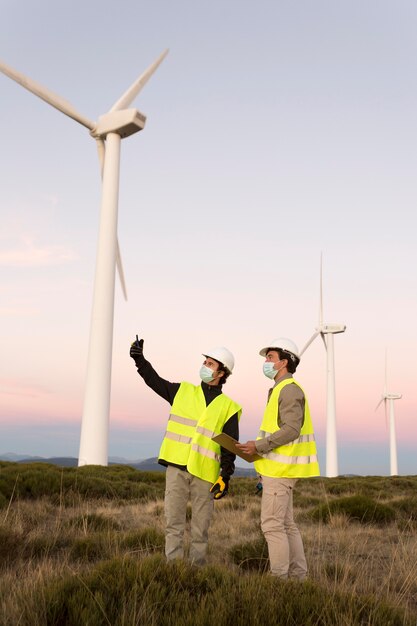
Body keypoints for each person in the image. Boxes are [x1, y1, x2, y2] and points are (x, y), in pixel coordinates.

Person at [129, 337, 241, 565]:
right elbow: (154, 381)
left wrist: (225, 477)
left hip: (205, 475)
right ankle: (173, 571)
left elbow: (229, 447)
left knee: (201, 529)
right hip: (176, 468)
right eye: (205, 362)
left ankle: (196, 574)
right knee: (173, 524)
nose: (205, 366)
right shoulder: (182, 391)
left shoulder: (229, 406)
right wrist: (140, 360)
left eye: (210, 364)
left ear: (221, 373)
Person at [236, 338, 319, 580]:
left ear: (284, 362)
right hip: (279, 470)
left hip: (281, 472)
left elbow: (292, 429)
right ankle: (297, 577)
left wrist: (258, 446)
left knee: (272, 526)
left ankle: (280, 580)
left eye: (270, 357)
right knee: (286, 525)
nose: (265, 362)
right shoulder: (280, 390)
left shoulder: (289, 389)